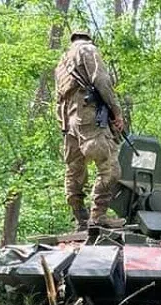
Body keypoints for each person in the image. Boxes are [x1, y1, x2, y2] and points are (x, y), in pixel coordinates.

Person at [55, 28, 125, 231]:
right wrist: (116, 112)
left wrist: (64, 124)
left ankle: (80, 218)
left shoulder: (62, 62)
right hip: (88, 119)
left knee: (74, 172)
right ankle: (98, 216)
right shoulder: (88, 50)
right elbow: (101, 81)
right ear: (87, 38)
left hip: (69, 125)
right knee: (111, 168)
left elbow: (58, 98)